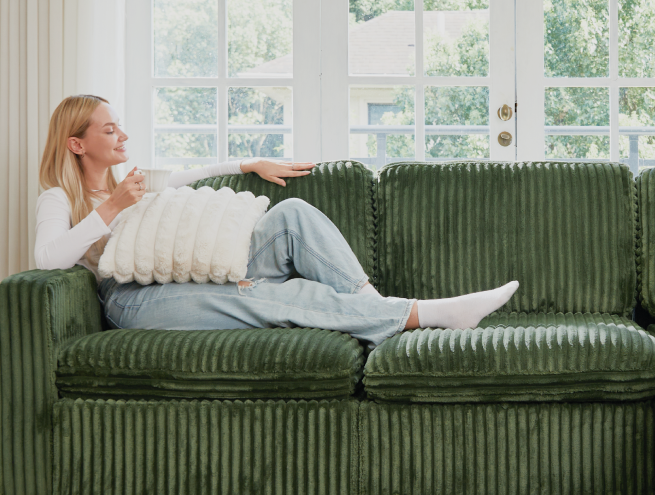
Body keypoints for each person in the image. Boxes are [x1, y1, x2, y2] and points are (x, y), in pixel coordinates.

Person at [35, 95, 518, 345]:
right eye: (109, 129)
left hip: (188, 269)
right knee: (262, 293)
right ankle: (429, 315)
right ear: (77, 143)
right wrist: (112, 207)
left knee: (291, 214)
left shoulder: (135, 182)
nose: (122, 134)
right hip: (135, 301)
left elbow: (192, 176)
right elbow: (46, 258)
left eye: (119, 125)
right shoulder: (59, 197)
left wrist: (248, 164)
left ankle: (374, 307)